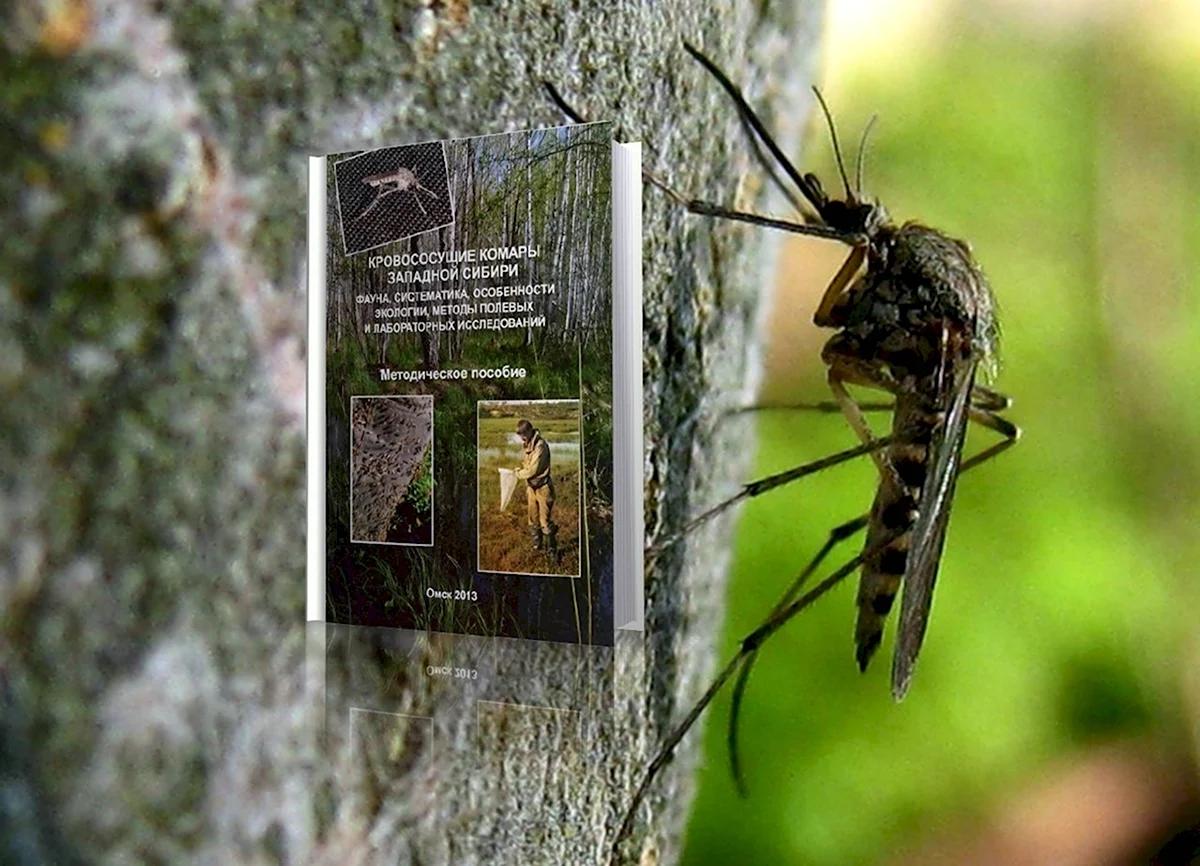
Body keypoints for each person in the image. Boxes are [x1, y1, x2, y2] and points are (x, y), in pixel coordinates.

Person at [514, 419, 557, 562]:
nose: (522, 437)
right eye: (520, 435)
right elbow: (526, 465)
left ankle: (551, 551)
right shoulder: (526, 445)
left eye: (523, 434)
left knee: (545, 521)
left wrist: (517, 474)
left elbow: (533, 470)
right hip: (531, 488)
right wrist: (519, 470)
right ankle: (537, 545)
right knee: (532, 518)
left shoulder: (540, 446)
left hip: (543, 488)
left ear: (530, 431)